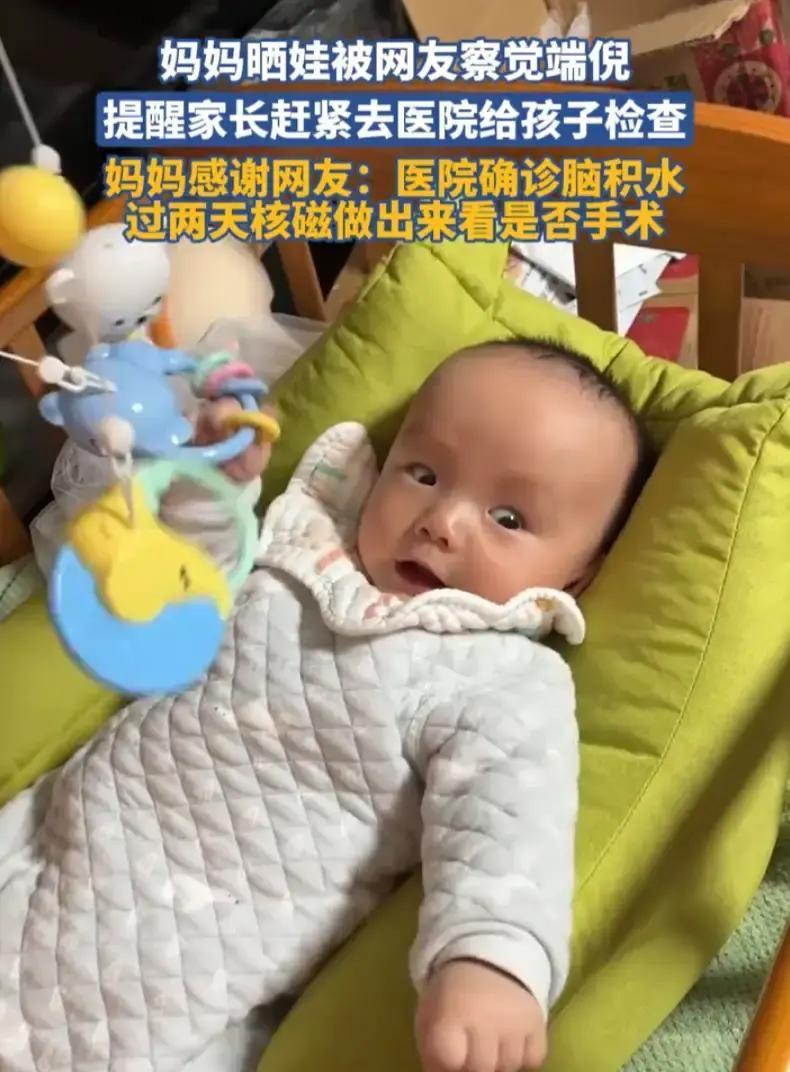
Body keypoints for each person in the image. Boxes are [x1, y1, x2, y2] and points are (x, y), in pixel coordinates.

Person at [0, 339, 654, 1072]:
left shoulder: (505, 677)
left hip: (201, 950)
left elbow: (510, 824)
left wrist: (492, 961)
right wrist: (211, 484)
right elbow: (180, 583)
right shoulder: (299, 552)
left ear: (579, 574)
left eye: (507, 517)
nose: (442, 520)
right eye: (424, 474)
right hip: (69, 830)